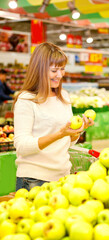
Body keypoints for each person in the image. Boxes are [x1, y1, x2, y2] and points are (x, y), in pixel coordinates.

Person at [13, 42, 94, 191]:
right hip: (34, 180)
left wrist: (79, 130)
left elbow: (66, 143)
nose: (60, 75)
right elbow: (22, 146)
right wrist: (59, 134)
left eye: (62, 69)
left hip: (63, 176)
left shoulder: (63, 96)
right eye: (54, 70)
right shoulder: (26, 100)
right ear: (39, 70)